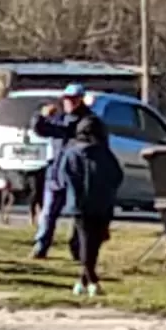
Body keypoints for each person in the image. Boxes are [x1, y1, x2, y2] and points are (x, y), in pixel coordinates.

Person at [31, 83, 105, 259]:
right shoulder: (60, 118)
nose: (69, 102)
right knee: (48, 213)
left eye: (73, 99)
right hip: (56, 174)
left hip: (76, 176)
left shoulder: (88, 121)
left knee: (78, 215)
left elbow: (71, 134)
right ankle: (41, 246)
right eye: (67, 99)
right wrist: (40, 116)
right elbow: (41, 130)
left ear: (81, 100)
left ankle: (78, 249)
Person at [56, 116, 123, 297]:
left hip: (79, 206)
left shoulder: (71, 153)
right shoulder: (105, 154)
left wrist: (71, 193)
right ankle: (91, 280)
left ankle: (84, 280)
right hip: (102, 204)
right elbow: (117, 176)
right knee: (93, 243)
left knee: (85, 240)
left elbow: (62, 177)